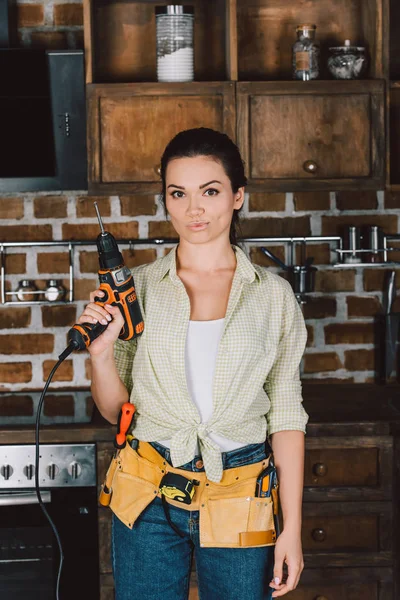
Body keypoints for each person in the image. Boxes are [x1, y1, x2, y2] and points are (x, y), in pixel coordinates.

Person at [77, 128, 309, 600]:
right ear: (166, 199)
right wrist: (101, 355)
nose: (193, 209)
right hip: (147, 493)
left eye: (210, 191)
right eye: (178, 194)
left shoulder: (273, 296)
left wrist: (291, 529)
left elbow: (285, 416)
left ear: (238, 195)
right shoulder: (136, 289)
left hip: (241, 494)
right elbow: (114, 410)